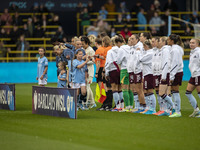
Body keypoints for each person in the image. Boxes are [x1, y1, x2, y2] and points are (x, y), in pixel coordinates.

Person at [105, 36, 123, 111]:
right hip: (121, 70)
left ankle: (117, 106)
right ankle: (122, 105)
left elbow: (108, 62)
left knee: (114, 88)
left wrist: (106, 72)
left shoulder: (110, 51)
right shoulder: (121, 50)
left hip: (113, 70)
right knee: (120, 88)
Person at [139, 40, 156, 114]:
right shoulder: (147, 53)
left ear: (146, 46)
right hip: (146, 73)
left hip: (150, 73)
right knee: (145, 91)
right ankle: (148, 107)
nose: (143, 47)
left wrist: (139, 53)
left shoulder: (150, 53)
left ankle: (152, 109)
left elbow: (141, 59)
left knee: (150, 91)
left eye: (144, 46)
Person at [168, 34, 184, 117]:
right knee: (173, 91)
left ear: (172, 41)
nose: (167, 41)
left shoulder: (175, 50)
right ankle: (175, 109)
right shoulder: (177, 48)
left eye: (168, 39)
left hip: (176, 72)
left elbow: (175, 63)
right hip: (177, 72)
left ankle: (178, 111)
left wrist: (172, 76)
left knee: (175, 91)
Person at [116, 36, 133, 112]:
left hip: (124, 69)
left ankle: (127, 106)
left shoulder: (121, 49)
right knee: (130, 88)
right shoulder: (132, 48)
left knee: (124, 88)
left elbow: (118, 60)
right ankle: (131, 106)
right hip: (132, 69)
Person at [156, 37, 172, 116]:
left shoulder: (165, 50)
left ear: (163, 42)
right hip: (163, 72)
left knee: (161, 93)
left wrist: (164, 75)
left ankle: (173, 107)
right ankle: (166, 110)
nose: (158, 42)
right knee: (164, 92)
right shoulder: (162, 50)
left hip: (165, 73)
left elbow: (166, 63)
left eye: (159, 41)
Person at [185, 38, 200, 118]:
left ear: (197, 44)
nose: (191, 44)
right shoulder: (192, 52)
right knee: (187, 93)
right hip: (193, 75)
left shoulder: (198, 52)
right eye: (190, 42)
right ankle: (196, 110)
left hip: (198, 75)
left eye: (193, 43)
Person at [81, 36, 95, 107]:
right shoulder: (82, 50)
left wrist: (85, 62)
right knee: (85, 86)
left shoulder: (91, 50)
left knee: (87, 86)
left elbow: (93, 61)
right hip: (83, 71)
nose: (82, 45)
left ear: (87, 43)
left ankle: (86, 102)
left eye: (83, 44)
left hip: (89, 71)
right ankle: (92, 102)